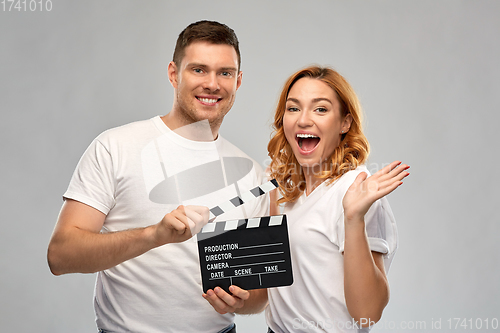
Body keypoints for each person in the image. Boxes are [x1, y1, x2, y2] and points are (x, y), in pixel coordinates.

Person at [47, 20, 268, 333]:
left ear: (238, 80)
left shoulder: (253, 177)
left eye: (225, 73)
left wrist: (243, 301)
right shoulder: (115, 147)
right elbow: (61, 255)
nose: (213, 84)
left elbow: (260, 296)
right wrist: (153, 235)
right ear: (174, 74)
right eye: (199, 70)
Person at [204, 66, 409, 332]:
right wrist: (238, 301)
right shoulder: (283, 187)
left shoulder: (356, 190)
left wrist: (354, 218)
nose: (303, 120)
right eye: (293, 108)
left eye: (320, 109)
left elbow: (367, 314)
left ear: (345, 123)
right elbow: (271, 291)